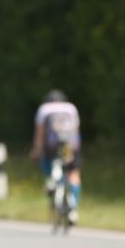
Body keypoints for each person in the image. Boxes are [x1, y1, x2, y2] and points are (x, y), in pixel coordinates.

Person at [30, 90, 82, 223]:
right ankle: (73, 210)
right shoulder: (71, 108)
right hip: (69, 147)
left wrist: (37, 150)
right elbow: (75, 131)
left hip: (52, 146)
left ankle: (51, 181)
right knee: (73, 174)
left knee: (47, 161)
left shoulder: (44, 109)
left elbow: (40, 133)